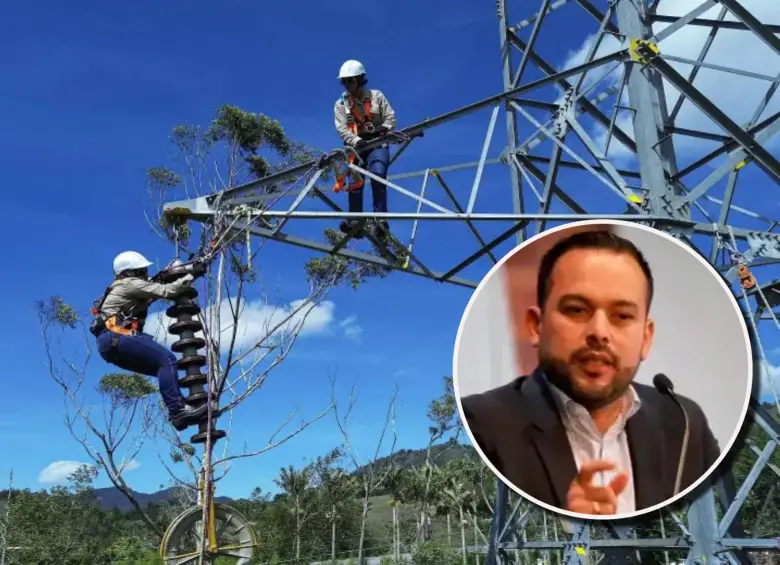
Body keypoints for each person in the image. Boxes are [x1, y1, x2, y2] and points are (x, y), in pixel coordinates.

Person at [460, 230, 720, 516]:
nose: (599, 332)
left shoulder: (683, 421)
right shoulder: (483, 424)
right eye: (576, 310)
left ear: (645, 339)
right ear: (536, 326)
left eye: (621, 315)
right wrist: (569, 519)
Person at [90, 251, 209, 431]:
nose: (145, 274)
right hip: (116, 336)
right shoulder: (130, 284)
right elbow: (167, 291)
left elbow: (153, 289)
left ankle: (180, 412)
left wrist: (167, 276)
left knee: (162, 368)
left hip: (108, 346)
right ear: (132, 272)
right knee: (167, 360)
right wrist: (193, 274)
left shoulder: (122, 286)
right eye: (142, 270)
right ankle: (178, 410)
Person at [333, 59, 397, 240]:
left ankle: (380, 220)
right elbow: (342, 129)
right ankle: (356, 221)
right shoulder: (341, 104)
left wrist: (384, 131)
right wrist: (356, 140)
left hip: (377, 143)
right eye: (343, 81)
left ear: (360, 79)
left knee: (378, 173)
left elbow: (390, 117)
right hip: (356, 146)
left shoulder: (376, 96)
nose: (346, 85)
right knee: (355, 179)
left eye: (350, 81)